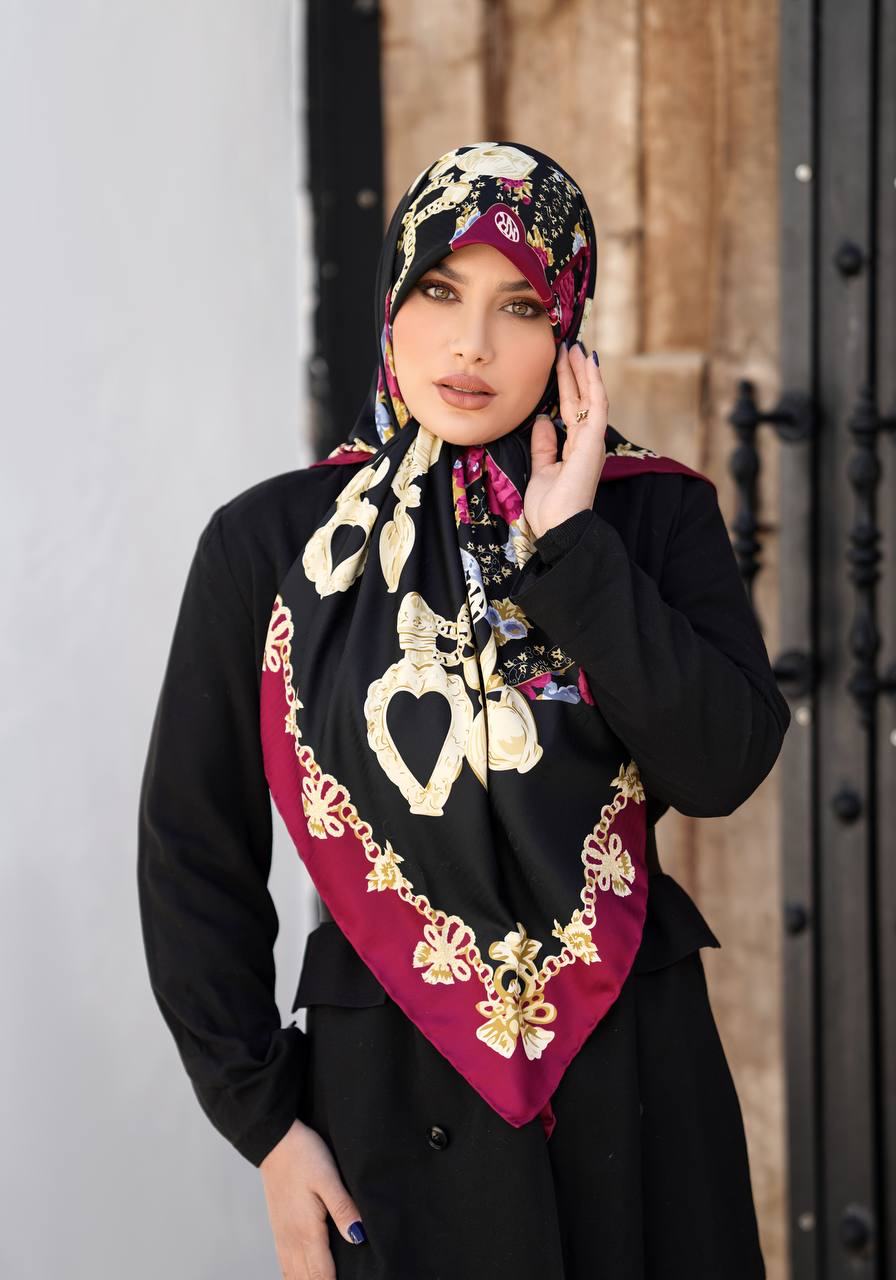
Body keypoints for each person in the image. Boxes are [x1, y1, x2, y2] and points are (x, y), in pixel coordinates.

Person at [138, 140, 791, 1279]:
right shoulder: (272, 544)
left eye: (520, 305)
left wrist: (572, 546)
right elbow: (194, 849)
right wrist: (266, 1125)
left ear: (568, 329)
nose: (472, 342)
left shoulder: (649, 517)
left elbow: (720, 766)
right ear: (392, 300)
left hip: (636, 1089)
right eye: (440, 290)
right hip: (386, 1096)